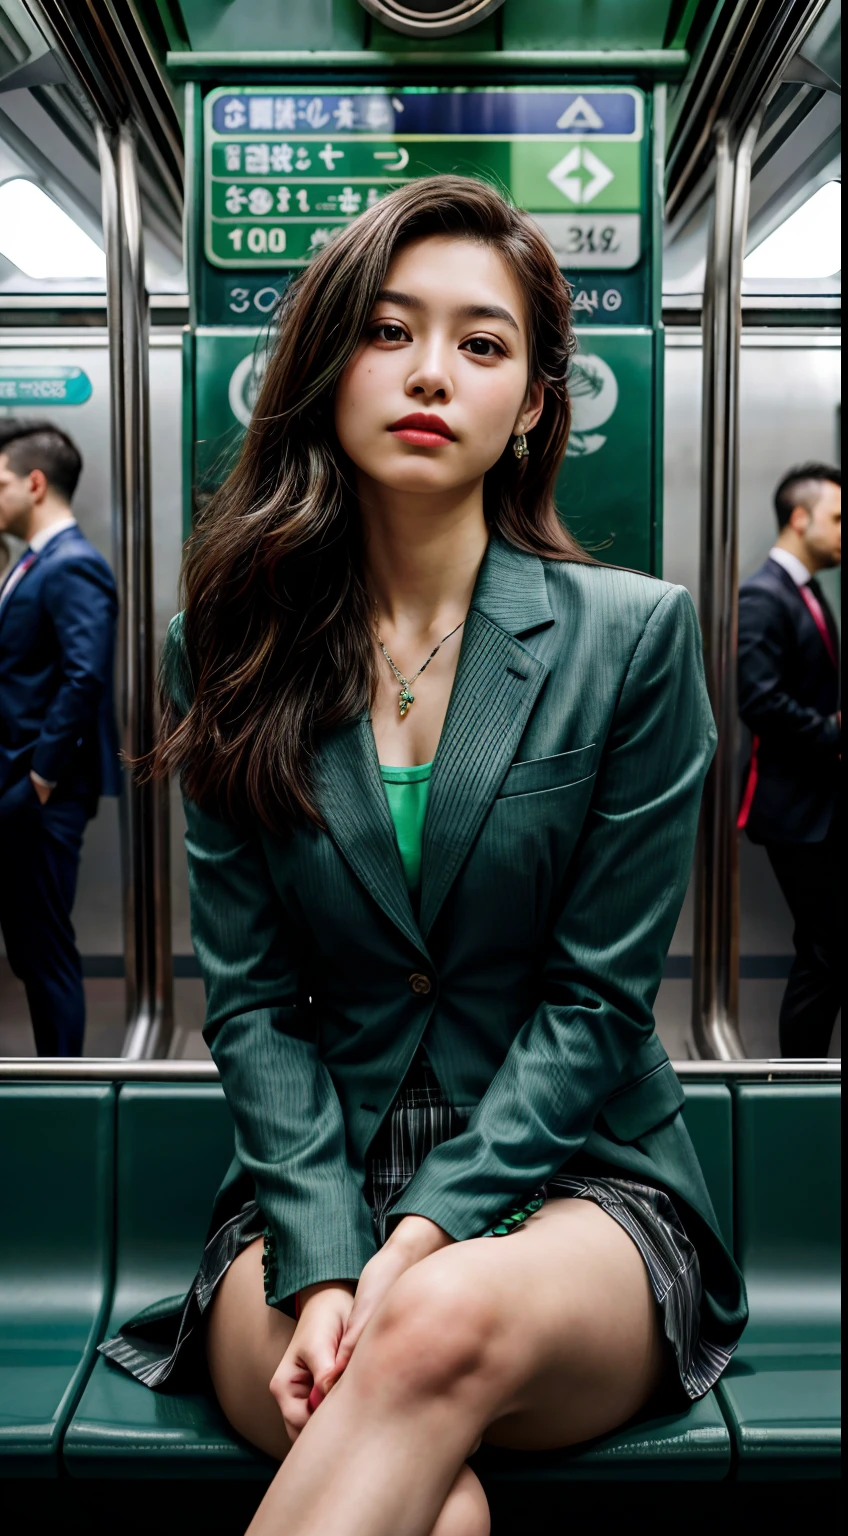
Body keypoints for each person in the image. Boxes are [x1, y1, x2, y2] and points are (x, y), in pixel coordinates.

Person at [100, 179, 746, 1536]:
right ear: (326, 367)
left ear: (530, 409)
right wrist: (331, 1264)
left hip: (582, 1186)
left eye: (483, 343)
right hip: (306, 1197)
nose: (431, 373)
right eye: (387, 331)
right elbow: (257, 1007)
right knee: (432, 1509)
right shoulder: (226, 649)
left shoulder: (631, 640)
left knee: (436, 1319)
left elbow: (595, 1007)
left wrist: (414, 1247)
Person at [0, 420, 120, 1056]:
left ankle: (64, 1084)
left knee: (44, 950)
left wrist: (39, 781)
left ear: (36, 483)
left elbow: (84, 678)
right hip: (21, 786)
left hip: (38, 791)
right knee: (29, 944)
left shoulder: (73, 567)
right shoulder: (30, 564)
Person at [737, 464, 841, 1058]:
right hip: (798, 810)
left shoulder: (807, 591)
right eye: (836, 518)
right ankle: (799, 1079)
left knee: (827, 948)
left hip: (821, 804)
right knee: (826, 950)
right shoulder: (765, 593)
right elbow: (759, 700)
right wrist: (831, 730)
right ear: (799, 519)